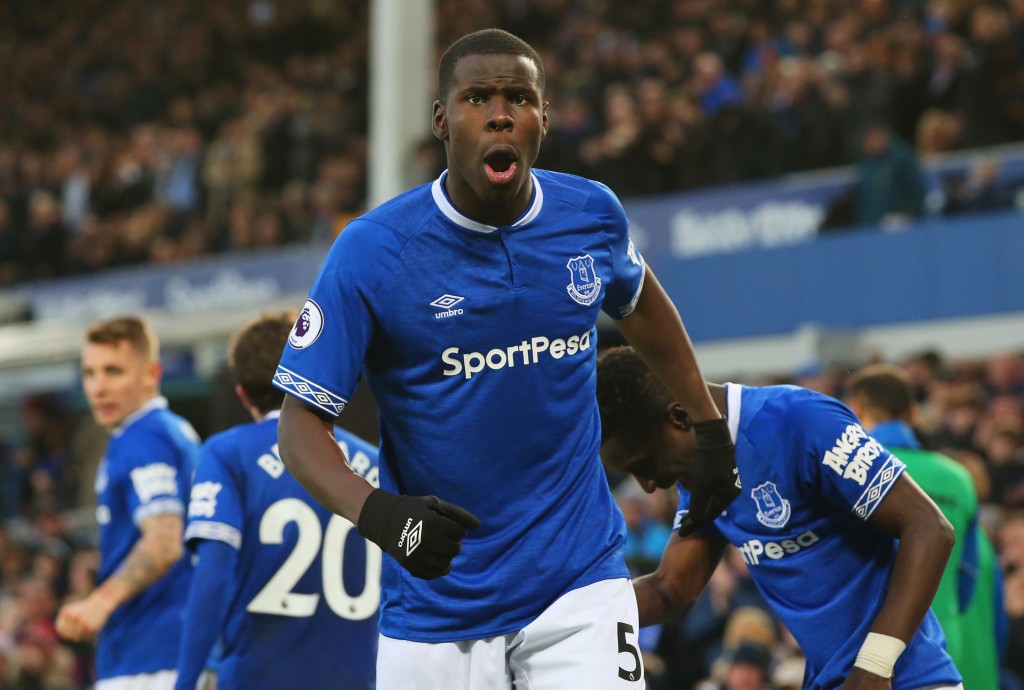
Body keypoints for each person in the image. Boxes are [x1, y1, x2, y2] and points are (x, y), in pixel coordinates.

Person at [273, 28, 738, 689]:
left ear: (543, 117)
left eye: (519, 97)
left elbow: (644, 311)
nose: (500, 113)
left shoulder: (589, 214)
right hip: (436, 604)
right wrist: (379, 514)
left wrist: (707, 419)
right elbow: (299, 426)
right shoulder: (372, 251)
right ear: (442, 119)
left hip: (579, 583)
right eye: (477, 98)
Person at [596, 346, 963, 690]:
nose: (647, 486)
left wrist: (874, 663)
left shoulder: (797, 420)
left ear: (679, 418)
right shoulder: (700, 472)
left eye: (645, 465)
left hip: (905, 679)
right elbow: (671, 588)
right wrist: (572, 614)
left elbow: (929, 528)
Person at [175, 311, 379, 690]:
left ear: (243, 394)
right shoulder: (375, 459)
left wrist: (186, 681)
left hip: (260, 675)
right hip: (361, 676)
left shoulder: (226, 454)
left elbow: (214, 570)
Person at [55, 316, 199, 690]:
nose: (98, 387)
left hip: (150, 654)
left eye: (114, 371)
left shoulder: (143, 437)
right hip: (173, 647)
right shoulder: (172, 431)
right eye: (89, 374)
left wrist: (99, 602)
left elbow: (165, 538)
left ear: (151, 373)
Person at [844, 364, 982, 680]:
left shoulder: (851, 473)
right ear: (913, 412)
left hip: (867, 651)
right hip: (942, 649)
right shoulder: (959, 478)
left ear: (857, 408)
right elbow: (967, 579)